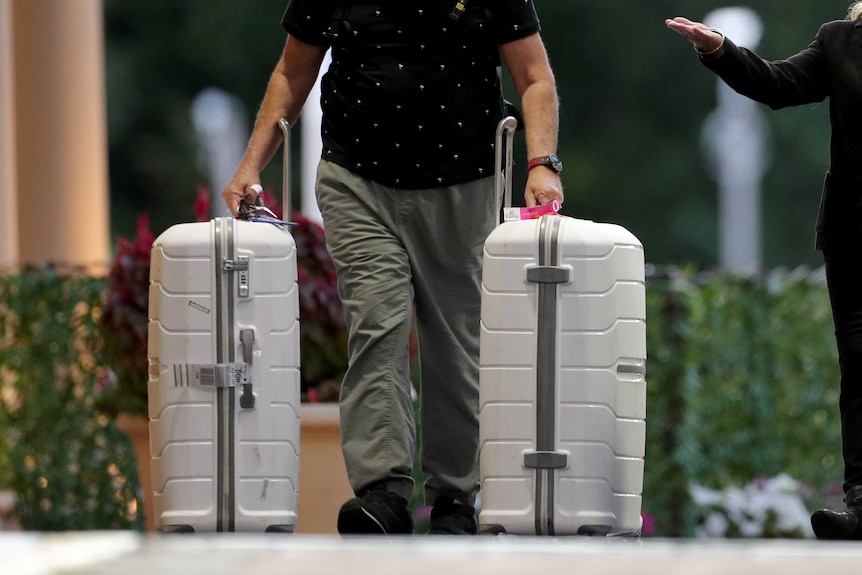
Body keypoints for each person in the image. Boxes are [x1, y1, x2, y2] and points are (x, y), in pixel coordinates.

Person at [222, 0, 563, 535]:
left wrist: (543, 164)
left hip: (464, 183)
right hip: (357, 180)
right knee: (376, 327)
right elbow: (293, 70)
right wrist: (249, 166)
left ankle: (454, 499)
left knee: (455, 344)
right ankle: (382, 493)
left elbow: (534, 76)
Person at [667, 3, 862, 541]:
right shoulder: (841, 41)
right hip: (854, 233)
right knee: (859, 363)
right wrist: (720, 50)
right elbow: (779, 84)